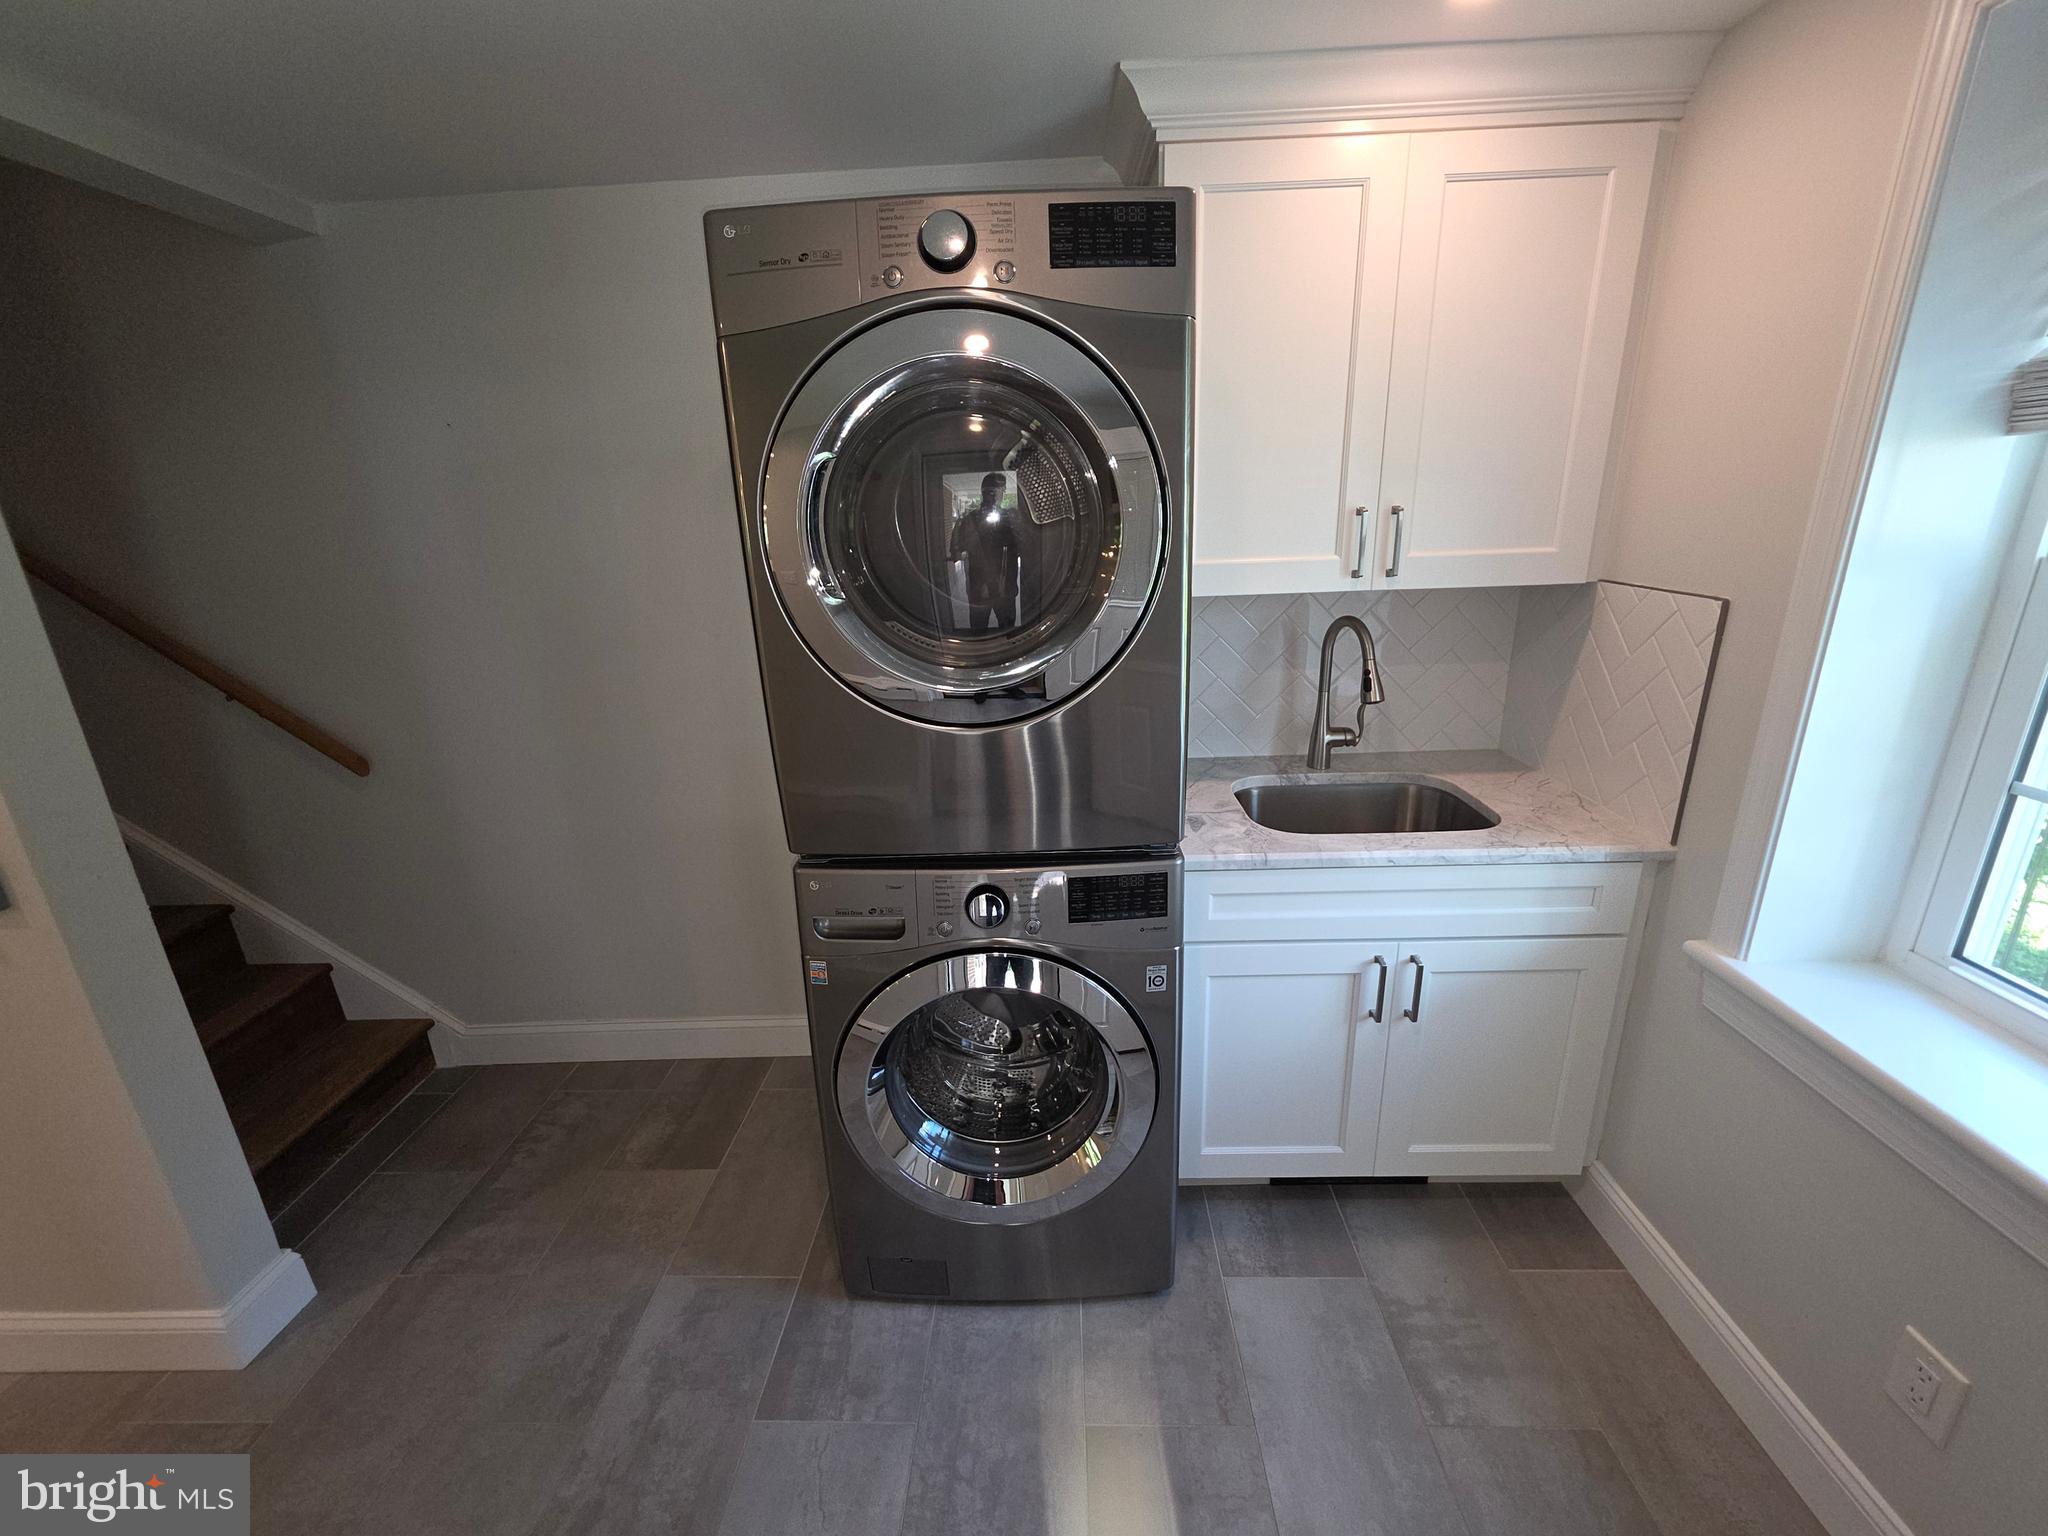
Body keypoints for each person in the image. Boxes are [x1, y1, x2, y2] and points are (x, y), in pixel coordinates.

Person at [949, 471, 1022, 632]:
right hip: (982, 590)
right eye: (995, 491)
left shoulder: (1009, 519)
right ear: (986, 493)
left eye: (999, 491)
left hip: (1001, 589)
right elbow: (955, 552)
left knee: (1003, 632)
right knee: (981, 632)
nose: (997, 495)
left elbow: (1024, 548)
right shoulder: (968, 521)